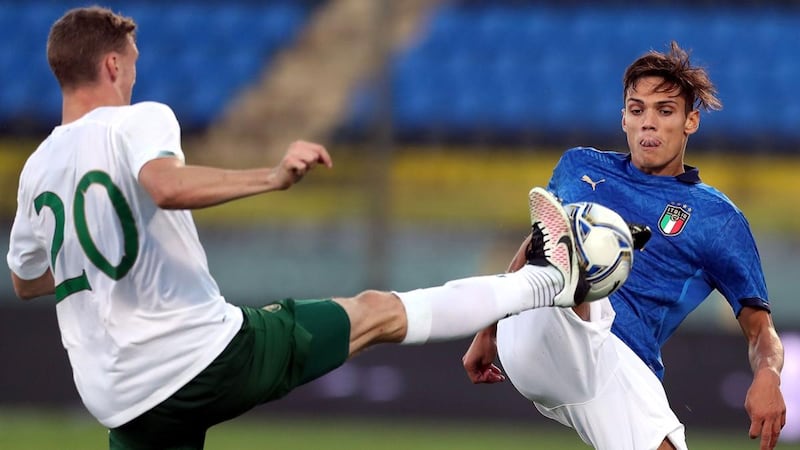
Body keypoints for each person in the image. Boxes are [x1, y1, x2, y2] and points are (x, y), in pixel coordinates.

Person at [4, 6, 614, 450]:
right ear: (112, 63)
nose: (134, 77)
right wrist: (270, 177)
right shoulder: (137, 121)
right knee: (377, 312)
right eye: (132, 65)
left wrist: (95, 250)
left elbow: (28, 281)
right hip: (198, 358)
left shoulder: (37, 171)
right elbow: (163, 185)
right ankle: (550, 283)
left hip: (118, 398)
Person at [463, 41, 786, 450]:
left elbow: (761, 331)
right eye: (637, 110)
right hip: (542, 324)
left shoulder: (717, 219)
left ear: (691, 122)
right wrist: (488, 329)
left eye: (664, 111)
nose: (648, 123)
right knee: (571, 240)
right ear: (624, 119)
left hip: (614, 361)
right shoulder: (579, 167)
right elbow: (535, 246)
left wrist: (767, 376)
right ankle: (575, 266)